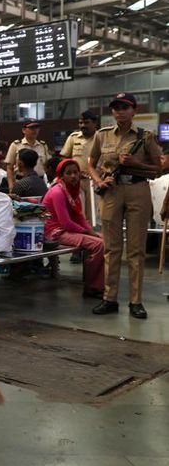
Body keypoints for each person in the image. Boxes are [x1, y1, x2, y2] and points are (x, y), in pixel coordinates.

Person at [89, 92, 162, 319]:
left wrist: (136, 163)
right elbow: (91, 164)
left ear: (134, 111)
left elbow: (158, 168)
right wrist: (99, 180)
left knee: (136, 250)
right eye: (116, 107)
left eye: (125, 107)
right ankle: (109, 299)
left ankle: (135, 301)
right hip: (111, 192)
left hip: (138, 191)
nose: (120, 111)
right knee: (111, 248)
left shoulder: (146, 137)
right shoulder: (102, 136)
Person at [42, 159, 105, 298]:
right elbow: (66, 223)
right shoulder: (58, 191)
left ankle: (101, 283)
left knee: (105, 240)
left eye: (75, 172)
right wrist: (89, 233)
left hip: (67, 230)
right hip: (55, 233)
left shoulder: (73, 190)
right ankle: (92, 287)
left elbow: (80, 217)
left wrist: (92, 232)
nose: (73, 176)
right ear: (61, 175)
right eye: (68, 173)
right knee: (98, 245)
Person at [60, 110, 100, 223]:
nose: (83, 126)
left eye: (86, 123)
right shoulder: (73, 137)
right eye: (80, 123)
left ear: (94, 123)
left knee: (95, 215)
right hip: (77, 182)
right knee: (78, 213)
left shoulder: (101, 137)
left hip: (96, 182)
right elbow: (64, 159)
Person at [5, 120, 49, 193]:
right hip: (20, 182)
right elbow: (9, 168)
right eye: (31, 128)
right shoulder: (16, 145)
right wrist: (11, 186)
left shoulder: (43, 145)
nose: (35, 130)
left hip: (39, 182)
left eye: (37, 128)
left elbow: (46, 165)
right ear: (24, 130)